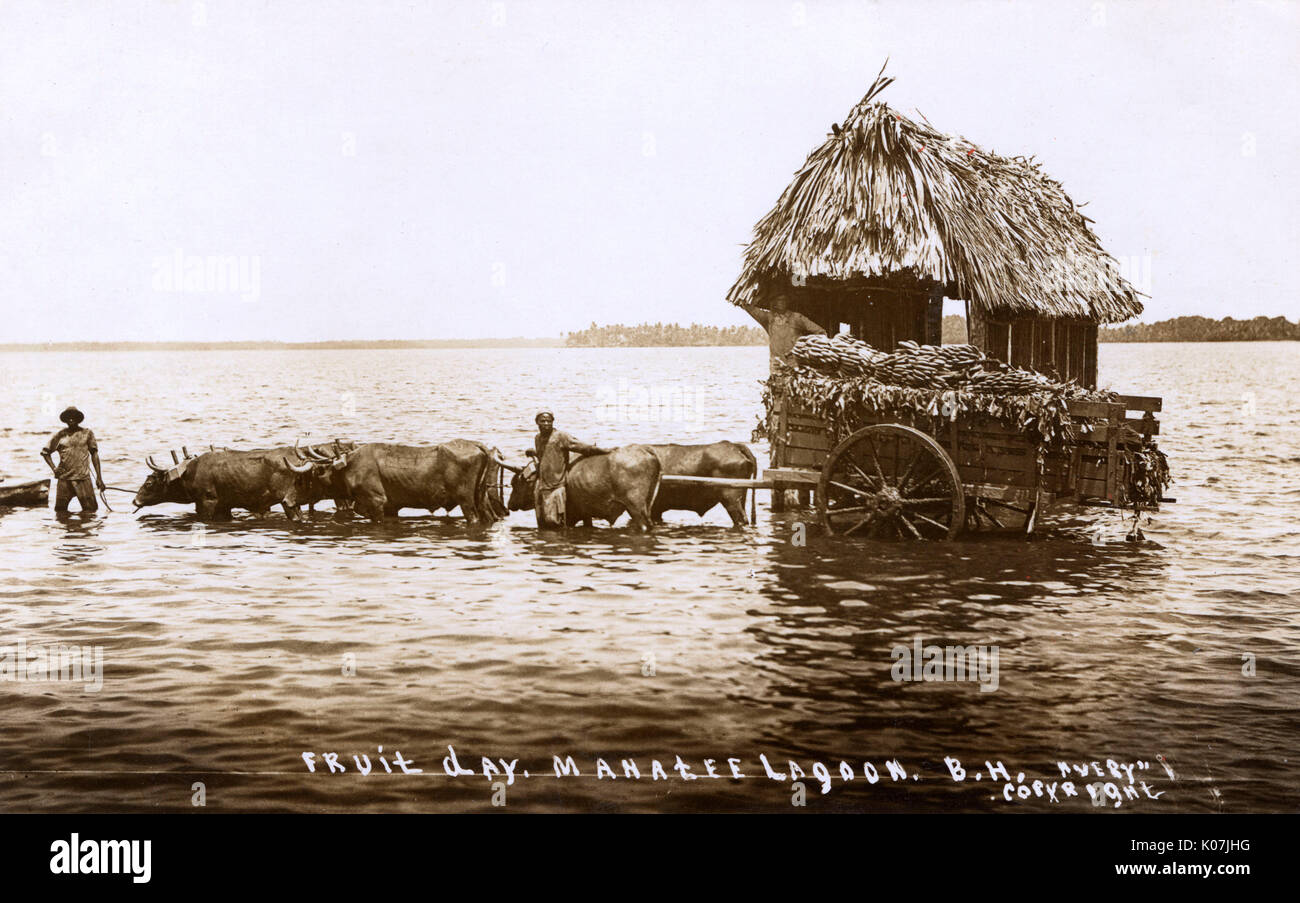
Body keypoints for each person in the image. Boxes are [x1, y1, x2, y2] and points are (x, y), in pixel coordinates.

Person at [530, 412, 611, 528]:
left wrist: (602, 451)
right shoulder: (538, 438)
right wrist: (533, 453)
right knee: (544, 522)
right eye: (543, 421)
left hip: (557, 486)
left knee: (554, 521)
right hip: (543, 486)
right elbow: (544, 456)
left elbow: (581, 447)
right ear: (537, 422)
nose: (546, 423)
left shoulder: (561, 436)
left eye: (549, 421)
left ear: (553, 422)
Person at [739, 292, 827, 372]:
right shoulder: (769, 318)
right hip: (776, 363)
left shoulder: (796, 318)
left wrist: (807, 350)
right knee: (776, 386)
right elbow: (749, 308)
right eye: (778, 300)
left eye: (784, 300)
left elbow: (820, 332)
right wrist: (757, 297)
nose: (781, 302)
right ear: (774, 303)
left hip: (794, 362)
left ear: (788, 302)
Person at [41, 406, 105, 513]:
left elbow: (94, 455)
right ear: (65, 420)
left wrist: (99, 478)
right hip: (64, 479)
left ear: (78, 419)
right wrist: (54, 469)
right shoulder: (60, 435)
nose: (71, 419)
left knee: (91, 512)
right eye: (68, 417)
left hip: (83, 478)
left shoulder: (87, 433)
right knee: (60, 513)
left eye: (73, 417)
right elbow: (45, 453)